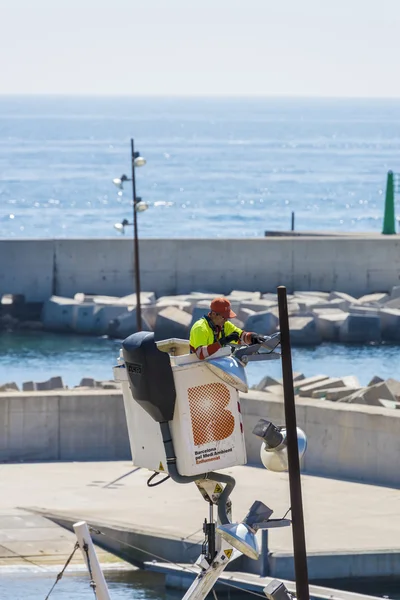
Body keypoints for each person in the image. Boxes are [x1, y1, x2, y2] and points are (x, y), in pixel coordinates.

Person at [189, 297, 265, 360]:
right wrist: (222, 342)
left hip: (214, 363)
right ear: (214, 314)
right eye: (224, 317)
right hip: (198, 366)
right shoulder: (200, 328)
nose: (226, 319)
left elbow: (241, 336)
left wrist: (252, 337)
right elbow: (200, 354)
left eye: (227, 317)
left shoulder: (225, 324)